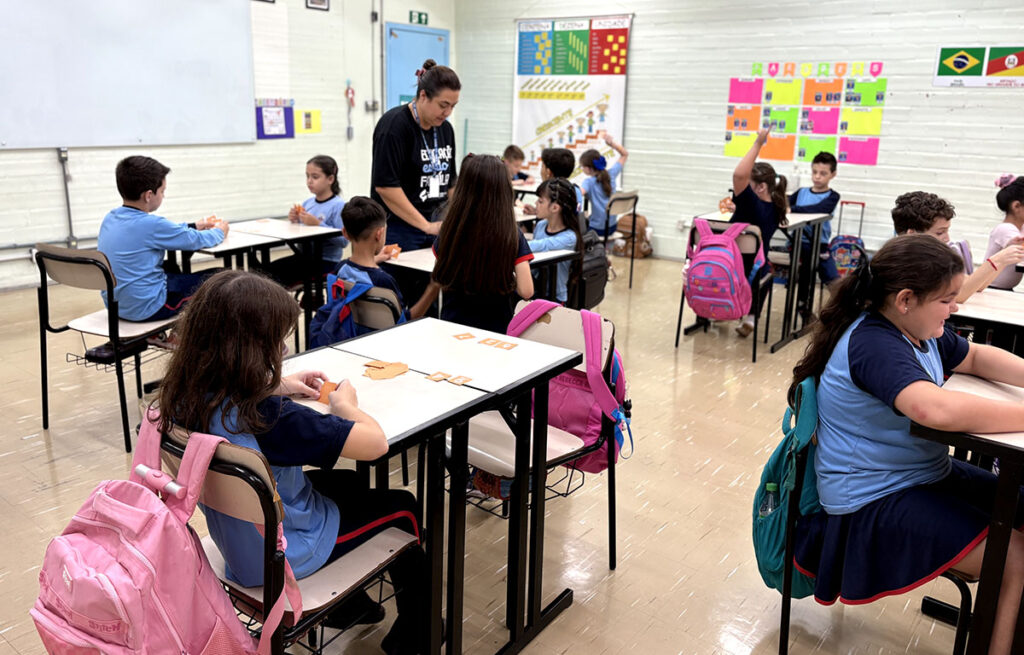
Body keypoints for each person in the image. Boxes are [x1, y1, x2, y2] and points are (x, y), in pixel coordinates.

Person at [156, 270, 427, 655]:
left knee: (348, 484)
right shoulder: (271, 418)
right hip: (287, 555)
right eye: (276, 342)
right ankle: (415, 635)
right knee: (403, 506)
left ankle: (351, 608)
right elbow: (375, 444)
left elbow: (234, 395)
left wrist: (279, 384)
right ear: (250, 351)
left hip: (239, 545)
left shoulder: (185, 396)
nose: (283, 351)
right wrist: (345, 405)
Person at [789, 234, 1024, 655]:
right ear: (905, 300)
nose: (955, 308)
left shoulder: (918, 329)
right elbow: (933, 409)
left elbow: (973, 357)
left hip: (916, 474)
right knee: (1014, 557)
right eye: (946, 300)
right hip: (869, 499)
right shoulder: (874, 342)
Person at [411, 154, 534, 332]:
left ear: (463, 188)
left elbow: (440, 276)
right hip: (496, 330)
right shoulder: (511, 233)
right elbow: (526, 291)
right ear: (504, 189)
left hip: (452, 326)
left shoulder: (450, 230)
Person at [97, 155, 228, 322]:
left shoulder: (110, 218)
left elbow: (162, 232)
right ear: (148, 195)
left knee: (171, 267)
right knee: (222, 277)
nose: (163, 196)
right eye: (162, 191)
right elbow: (195, 240)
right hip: (149, 308)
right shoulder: (152, 224)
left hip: (117, 306)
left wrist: (193, 225)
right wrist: (220, 231)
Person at [371, 59, 460, 252]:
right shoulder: (393, 127)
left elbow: (451, 182)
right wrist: (425, 226)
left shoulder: (445, 129)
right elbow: (386, 187)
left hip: (436, 224)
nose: (447, 112)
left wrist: (462, 215)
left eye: (453, 106)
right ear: (423, 95)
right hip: (400, 227)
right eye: (443, 105)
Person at [892, 190, 1024, 301]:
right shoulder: (909, 262)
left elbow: (976, 285)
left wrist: (1002, 261)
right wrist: (997, 260)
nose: (947, 238)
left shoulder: (934, 257)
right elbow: (958, 294)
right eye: (940, 233)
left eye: (947, 231)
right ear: (912, 234)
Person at [730, 128, 787, 337]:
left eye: (749, 184)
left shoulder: (750, 204)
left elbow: (739, 175)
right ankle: (752, 317)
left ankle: (723, 309)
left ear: (761, 187)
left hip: (733, 268)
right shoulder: (777, 206)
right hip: (755, 270)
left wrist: (758, 142)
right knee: (767, 268)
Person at [264, 155, 349, 286]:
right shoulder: (308, 203)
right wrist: (294, 221)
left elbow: (343, 241)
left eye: (315, 177)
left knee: (273, 277)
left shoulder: (338, 205)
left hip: (325, 261)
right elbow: (302, 233)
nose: (309, 181)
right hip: (303, 257)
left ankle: (280, 298)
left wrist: (318, 224)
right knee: (264, 271)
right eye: (307, 176)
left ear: (330, 179)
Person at [333, 195, 412, 316]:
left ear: (345, 233)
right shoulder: (384, 281)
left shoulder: (340, 268)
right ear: (379, 234)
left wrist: (377, 258)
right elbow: (405, 320)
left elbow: (360, 268)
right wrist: (432, 289)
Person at [789, 152, 841, 323]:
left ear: (833, 174)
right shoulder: (801, 192)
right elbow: (785, 204)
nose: (817, 177)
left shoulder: (833, 196)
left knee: (834, 280)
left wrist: (794, 209)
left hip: (821, 245)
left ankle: (840, 312)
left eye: (823, 173)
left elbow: (820, 209)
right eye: (814, 172)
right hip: (799, 242)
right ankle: (803, 307)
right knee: (807, 270)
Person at [529, 178, 583, 304]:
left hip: (555, 298)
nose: (536, 204)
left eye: (540, 201)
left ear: (554, 207)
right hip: (536, 290)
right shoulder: (541, 225)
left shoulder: (569, 238)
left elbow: (542, 246)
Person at [579, 134, 629, 235]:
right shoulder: (612, 173)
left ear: (588, 169)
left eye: (582, 166)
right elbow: (625, 154)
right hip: (612, 227)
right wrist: (612, 144)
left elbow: (578, 194)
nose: (582, 169)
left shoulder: (588, 182)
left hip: (597, 230)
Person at [983, 175, 1024, 290]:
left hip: (1003, 289)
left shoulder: (1021, 228)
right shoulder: (1005, 229)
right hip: (990, 289)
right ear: (1016, 206)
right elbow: (1018, 246)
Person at [521, 147, 583, 217]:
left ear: (548, 172)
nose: (541, 172)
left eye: (542, 167)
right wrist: (536, 211)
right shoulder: (575, 190)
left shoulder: (552, 193)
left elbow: (556, 220)